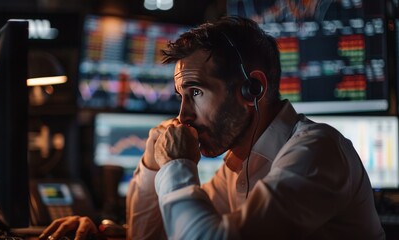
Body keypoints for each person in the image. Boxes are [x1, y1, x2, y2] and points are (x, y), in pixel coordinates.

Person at [39, 16, 385, 240]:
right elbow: (149, 238)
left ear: (254, 89)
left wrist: (177, 166)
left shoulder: (316, 152)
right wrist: (151, 163)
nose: (182, 114)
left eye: (196, 93)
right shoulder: (237, 168)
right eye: (180, 95)